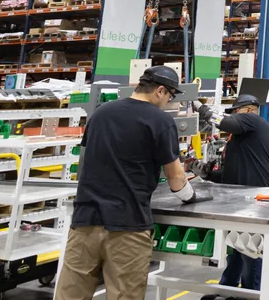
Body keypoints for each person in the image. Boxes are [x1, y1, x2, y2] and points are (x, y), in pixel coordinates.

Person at [56, 66, 209, 300]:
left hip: (85, 222)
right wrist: (191, 197)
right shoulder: (160, 120)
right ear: (160, 91)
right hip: (127, 226)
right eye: (170, 95)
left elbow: (88, 160)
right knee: (124, 294)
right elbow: (176, 178)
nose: (169, 101)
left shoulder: (101, 113)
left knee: (71, 295)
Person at [190, 93, 269, 295]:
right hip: (246, 198)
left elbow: (223, 122)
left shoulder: (254, 120)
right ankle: (228, 289)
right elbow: (232, 172)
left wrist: (198, 107)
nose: (236, 118)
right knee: (237, 247)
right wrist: (208, 174)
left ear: (249, 109)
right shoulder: (241, 138)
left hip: (262, 198)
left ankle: (251, 294)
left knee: (251, 251)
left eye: (237, 112)